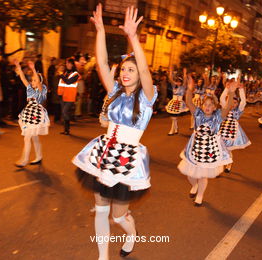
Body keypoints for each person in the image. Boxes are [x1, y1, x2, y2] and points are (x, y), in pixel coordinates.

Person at [73, 5, 157, 259]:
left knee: (118, 214)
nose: (126, 73)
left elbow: (144, 70)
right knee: (100, 209)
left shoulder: (147, 98)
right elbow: (101, 63)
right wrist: (99, 30)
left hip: (128, 159)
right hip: (104, 151)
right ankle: (103, 256)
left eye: (130, 70)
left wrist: (132, 36)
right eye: (123, 70)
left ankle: (131, 234)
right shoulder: (115, 94)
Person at [178, 75, 236, 207]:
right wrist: (190, 89)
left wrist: (231, 92)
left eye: (210, 105)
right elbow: (188, 101)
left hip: (209, 149)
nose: (208, 107)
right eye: (206, 104)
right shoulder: (197, 113)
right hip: (195, 148)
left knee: (203, 174)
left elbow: (227, 108)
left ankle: (200, 195)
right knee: (190, 174)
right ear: (202, 106)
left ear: (215, 107)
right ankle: (194, 186)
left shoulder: (218, 117)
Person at [14, 60, 49, 167]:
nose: (32, 82)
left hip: (36, 114)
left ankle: (24, 160)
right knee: (34, 137)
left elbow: (38, 82)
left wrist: (34, 69)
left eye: (34, 80)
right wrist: (18, 67)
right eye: (32, 80)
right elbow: (23, 78)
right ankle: (39, 156)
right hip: (28, 113)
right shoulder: (30, 89)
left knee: (27, 137)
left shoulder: (42, 90)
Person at [219, 78, 250, 172]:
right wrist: (227, 89)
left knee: (229, 149)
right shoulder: (225, 108)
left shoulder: (238, 111)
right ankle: (221, 165)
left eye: (235, 102)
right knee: (221, 148)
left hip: (233, 131)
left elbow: (243, 102)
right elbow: (221, 99)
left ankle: (228, 165)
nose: (233, 104)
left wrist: (241, 90)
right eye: (231, 101)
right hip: (222, 129)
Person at [57, 58, 80, 135]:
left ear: (73, 65)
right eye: (67, 63)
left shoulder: (76, 74)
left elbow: (68, 82)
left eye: (69, 63)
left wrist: (61, 75)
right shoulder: (65, 73)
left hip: (70, 96)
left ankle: (67, 129)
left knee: (65, 112)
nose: (67, 65)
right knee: (64, 113)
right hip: (62, 96)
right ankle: (66, 130)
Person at [165, 66, 188, 135]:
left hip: (179, 103)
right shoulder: (174, 86)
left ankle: (172, 130)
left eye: (179, 82)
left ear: (181, 82)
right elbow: (170, 79)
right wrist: (171, 72)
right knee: (173, 117)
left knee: (174, 117)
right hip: (173, 102)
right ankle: (176, 128)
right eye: (177, 81)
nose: (178, 83)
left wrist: (185, 74)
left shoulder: (183, 87)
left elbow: (185, 80)